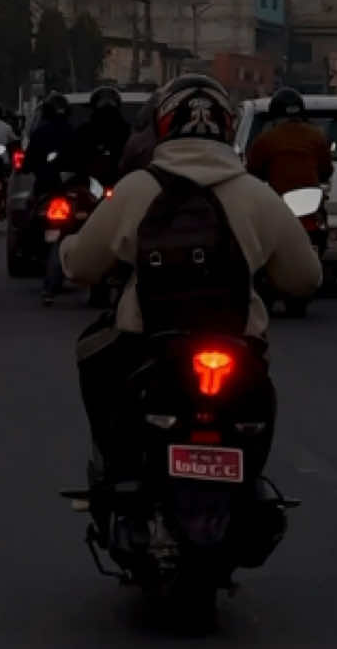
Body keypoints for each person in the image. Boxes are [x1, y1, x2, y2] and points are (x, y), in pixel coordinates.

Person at [62, 74, 323, 470]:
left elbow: (82, 267)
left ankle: (113, 473)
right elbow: (305, 278)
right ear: (229, 128)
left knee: (92, 354)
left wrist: (67, 248)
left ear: (163, 125)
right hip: (239, 339)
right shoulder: (257, 194)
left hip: (145, 338)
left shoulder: (137, 188)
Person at [246, 86, 333, 196]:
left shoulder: (265, 139)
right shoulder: (316, 136)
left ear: (274, 113)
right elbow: (326, 171)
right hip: (309, 201)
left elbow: (253, 172)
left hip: (278, 201)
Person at [66, 84, 131, 190]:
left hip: (118, 182)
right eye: (103, 103)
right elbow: (72, 153)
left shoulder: (126, 130)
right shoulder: (85, 130)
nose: (106, 107)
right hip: (90, 183)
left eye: (109, 103)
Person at [25, 92, 75, 197]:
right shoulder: (75, 132)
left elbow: (28, 163)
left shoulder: (39, 133)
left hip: (48, 186)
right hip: (66, 188)